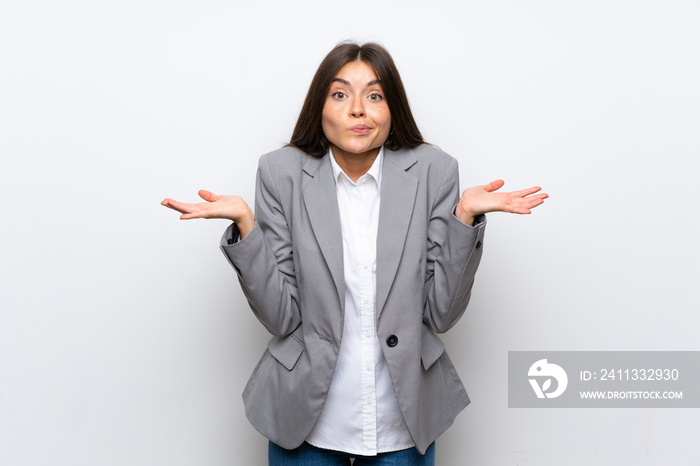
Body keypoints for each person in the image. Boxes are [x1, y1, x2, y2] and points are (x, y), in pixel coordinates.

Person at [162, 42, 547, 466]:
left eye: (375, 95)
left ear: (392, 108)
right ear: (319, 107)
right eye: (341, 94)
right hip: (304, 417)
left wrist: (464, 218)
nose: (358, 110)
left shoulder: (435, 172)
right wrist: (246, 227)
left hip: (402, 417)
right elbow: (281, 318)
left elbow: (441, 316)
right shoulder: (280, 172)